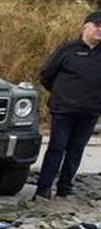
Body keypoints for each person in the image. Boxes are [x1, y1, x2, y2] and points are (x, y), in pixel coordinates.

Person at [35, 10, 101, 199]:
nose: (100, 30)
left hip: (90, 111)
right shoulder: (68, 49)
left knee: (76, 149)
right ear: (85, 27)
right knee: (57, 147)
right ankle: (43, 189)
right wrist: (61, 95)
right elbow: (46, 75)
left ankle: (65, 188)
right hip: (64, 110)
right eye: (96, 25)